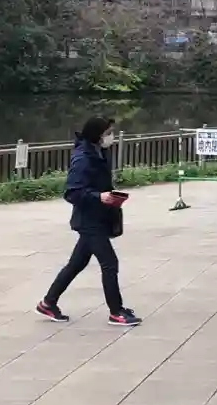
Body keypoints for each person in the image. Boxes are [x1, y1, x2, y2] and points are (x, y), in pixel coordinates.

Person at [36, 116, 141, 325]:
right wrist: (98, 197)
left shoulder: (99, 152)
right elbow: (72, 192)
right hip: (89, 220)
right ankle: (116, 311)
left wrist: (110, 197)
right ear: (97, 135)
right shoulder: (83, 158)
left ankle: (48, 303)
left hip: (99, 216)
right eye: (107, 133)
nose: (111, 137)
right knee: (109, 263)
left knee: (76, 263)